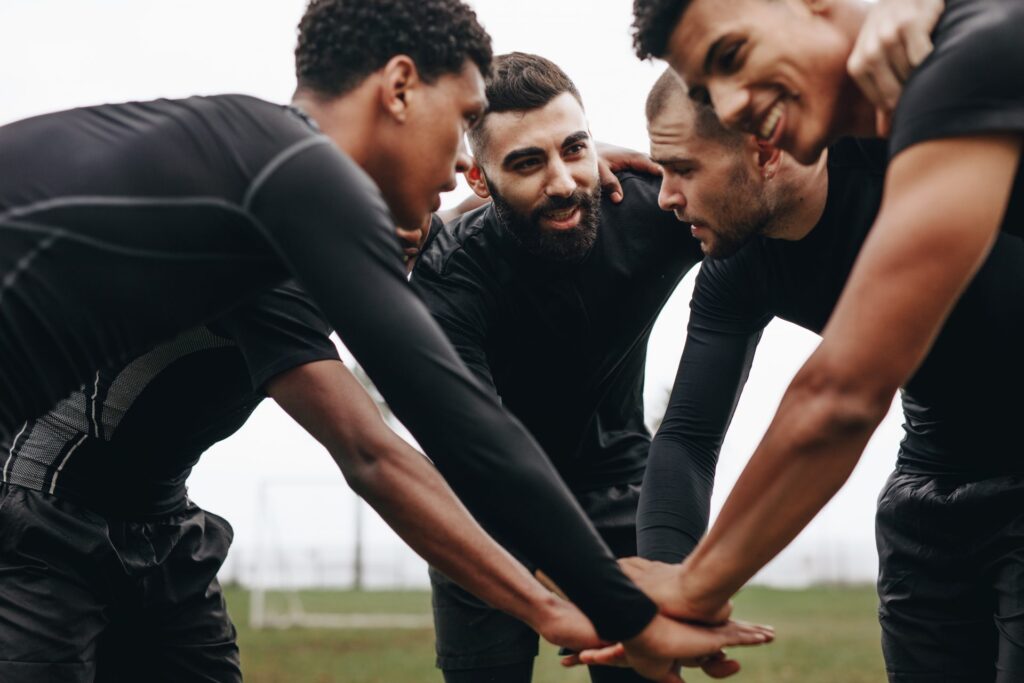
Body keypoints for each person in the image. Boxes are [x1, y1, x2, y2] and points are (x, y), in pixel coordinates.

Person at [0, 1, 777, 680]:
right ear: (400, 87)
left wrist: (565, 173)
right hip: (41, 514)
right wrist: (581, 607)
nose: (461, 163)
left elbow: (465, 225)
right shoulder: (280, 194)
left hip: (161, 525)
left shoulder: (281, 181)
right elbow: (386, 448)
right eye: (463, 117)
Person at [619, 0, 1024, 660]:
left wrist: (695, 585)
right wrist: (660, 589)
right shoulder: (739, 263)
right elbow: (687, 437)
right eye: (705, 88)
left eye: (730, 57)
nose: (731, 101)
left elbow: (842, 392)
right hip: (932, 477)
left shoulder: (953, 69)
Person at [410, 52, 745, 683]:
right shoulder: (450, 276)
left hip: (624, 490)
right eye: (527, 162)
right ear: (480, 182)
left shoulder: (650, 206)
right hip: (487, 510)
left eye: (574, 149)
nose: (562, 182)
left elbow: (751, 206)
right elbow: (476, 456)